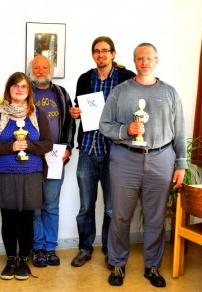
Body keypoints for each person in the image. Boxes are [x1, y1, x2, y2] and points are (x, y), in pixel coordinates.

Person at [99, 42, 187, 287]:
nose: (144, 62)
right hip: (125, 159)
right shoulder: (120, 91)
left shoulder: (170, 93)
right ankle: (117, 264)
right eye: (140, 58)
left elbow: (179, 131)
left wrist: (181, 164)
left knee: (155, 218)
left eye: (149, 58)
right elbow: (105, 125)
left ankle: (152, 267)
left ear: (156, 61)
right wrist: (125, 130)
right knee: (120, 216)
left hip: (161, 159)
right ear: (135, 62)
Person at [69, 36, 135, 267]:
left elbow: (135, 107)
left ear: (113, 54)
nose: (101, 55)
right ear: (92, 54)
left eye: (105, 51)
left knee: (111, 207)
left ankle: (110, 250)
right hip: (88, 149)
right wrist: (74, 112)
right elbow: (78, 108)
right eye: (97, 51)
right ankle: (85, 249)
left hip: (115, 152)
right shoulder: (85, 78)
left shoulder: (127, 78)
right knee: (86, 207)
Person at [0, 72, 53, 280]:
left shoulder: (38, 114)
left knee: (27, 220)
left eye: (23, 86)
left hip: (32, 174)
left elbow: (48, 142)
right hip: (5, 173)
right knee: (9, 219)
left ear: (28, 90)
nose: (19, 89)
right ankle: (11, 260)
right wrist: (10, 147)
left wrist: (28, 146)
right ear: (9, 89)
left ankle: (23, 260)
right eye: (15, 86)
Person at [28, 55, 75, 267]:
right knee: (35, 206)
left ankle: (50, 247)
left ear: (51, 70)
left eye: (44, 67)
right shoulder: (25, 91)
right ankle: (37, 248)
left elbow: (69, 124)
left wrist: (68, 148)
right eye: (36, 67)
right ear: (31, 70)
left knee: (51, 205)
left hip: (56, 157)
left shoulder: (61, 93)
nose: (40, 70)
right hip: (31, 158)